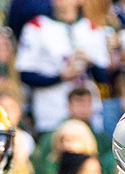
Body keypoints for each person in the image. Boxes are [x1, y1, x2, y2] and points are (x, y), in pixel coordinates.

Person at [15, 0, 110, 134]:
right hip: (51, 111)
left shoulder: (92, 29)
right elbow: (24, 74)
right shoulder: (37, 27)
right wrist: (60, 76)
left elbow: (103, 77)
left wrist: (89, 62)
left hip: (87, 113)